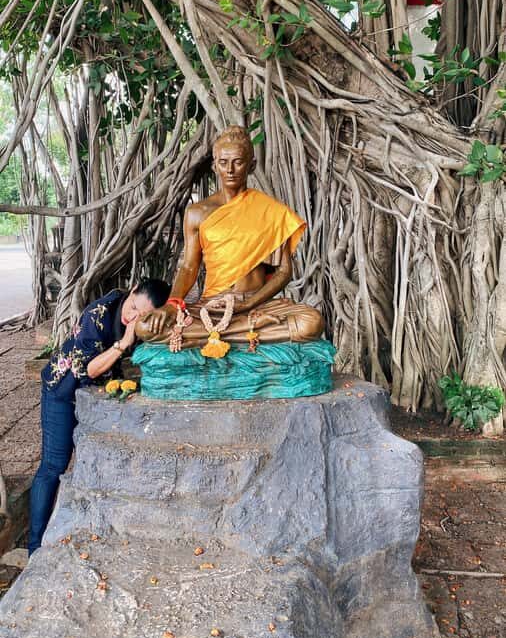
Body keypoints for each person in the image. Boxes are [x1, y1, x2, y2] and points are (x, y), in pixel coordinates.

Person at [136, 126, 323, 350]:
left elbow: (284, 272)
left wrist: (249, 305)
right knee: (145, 327)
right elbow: (188, 267)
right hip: (212, 306)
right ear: (215, 166)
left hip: (256, 303)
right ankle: (243, 332)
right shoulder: (197, 213)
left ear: (251, 165)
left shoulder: (270, 211)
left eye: (238, 162)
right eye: (223, 163)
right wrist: (172, 304)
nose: (230, 170)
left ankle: (212, 336)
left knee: (312, 322)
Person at [28, 278, 170, 555]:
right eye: (133, 307)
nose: (133, 317)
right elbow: (87, 371)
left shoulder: (147, 320)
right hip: (64, 390)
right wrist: (123, 343)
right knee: (54, 465)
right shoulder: (98, 314)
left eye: (143, 316)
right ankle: (34, 546)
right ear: (130, 293)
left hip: (96, 393)